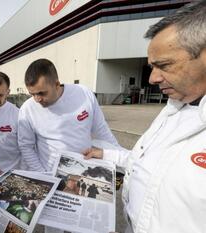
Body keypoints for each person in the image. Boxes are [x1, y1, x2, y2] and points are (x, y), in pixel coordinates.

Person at [84, 1, 206, 233]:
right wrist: (106, 154)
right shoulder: (175, 106)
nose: (152, 79)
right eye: (152, 67)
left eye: (164, 65)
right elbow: (151, 162)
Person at [18, 58, 119, 172]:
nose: (37, 99)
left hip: (85, 173)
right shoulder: (27, 109)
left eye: (41, 93)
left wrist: (118, 159)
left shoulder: (84, 94)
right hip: (51, 176)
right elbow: (26, 147)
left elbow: (102, 131)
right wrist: (43, 175)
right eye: (32, 94)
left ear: (56, 84)